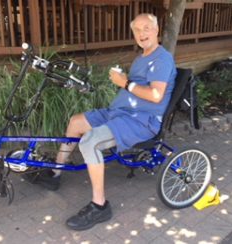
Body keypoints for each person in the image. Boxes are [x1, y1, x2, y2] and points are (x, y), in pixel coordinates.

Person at [28, 13, 177, 230]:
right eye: (137, 30)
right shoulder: (142, 57)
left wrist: (125, 83)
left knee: (90, 142)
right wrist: (123, 81)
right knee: (76, 122)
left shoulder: (161, 59)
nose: (142, 33)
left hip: (141, 121)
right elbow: (136, 87)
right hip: (119, 113)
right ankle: (55, 173)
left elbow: (156, 95)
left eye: (146, 28)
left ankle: (100, 206)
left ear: (156, 30)